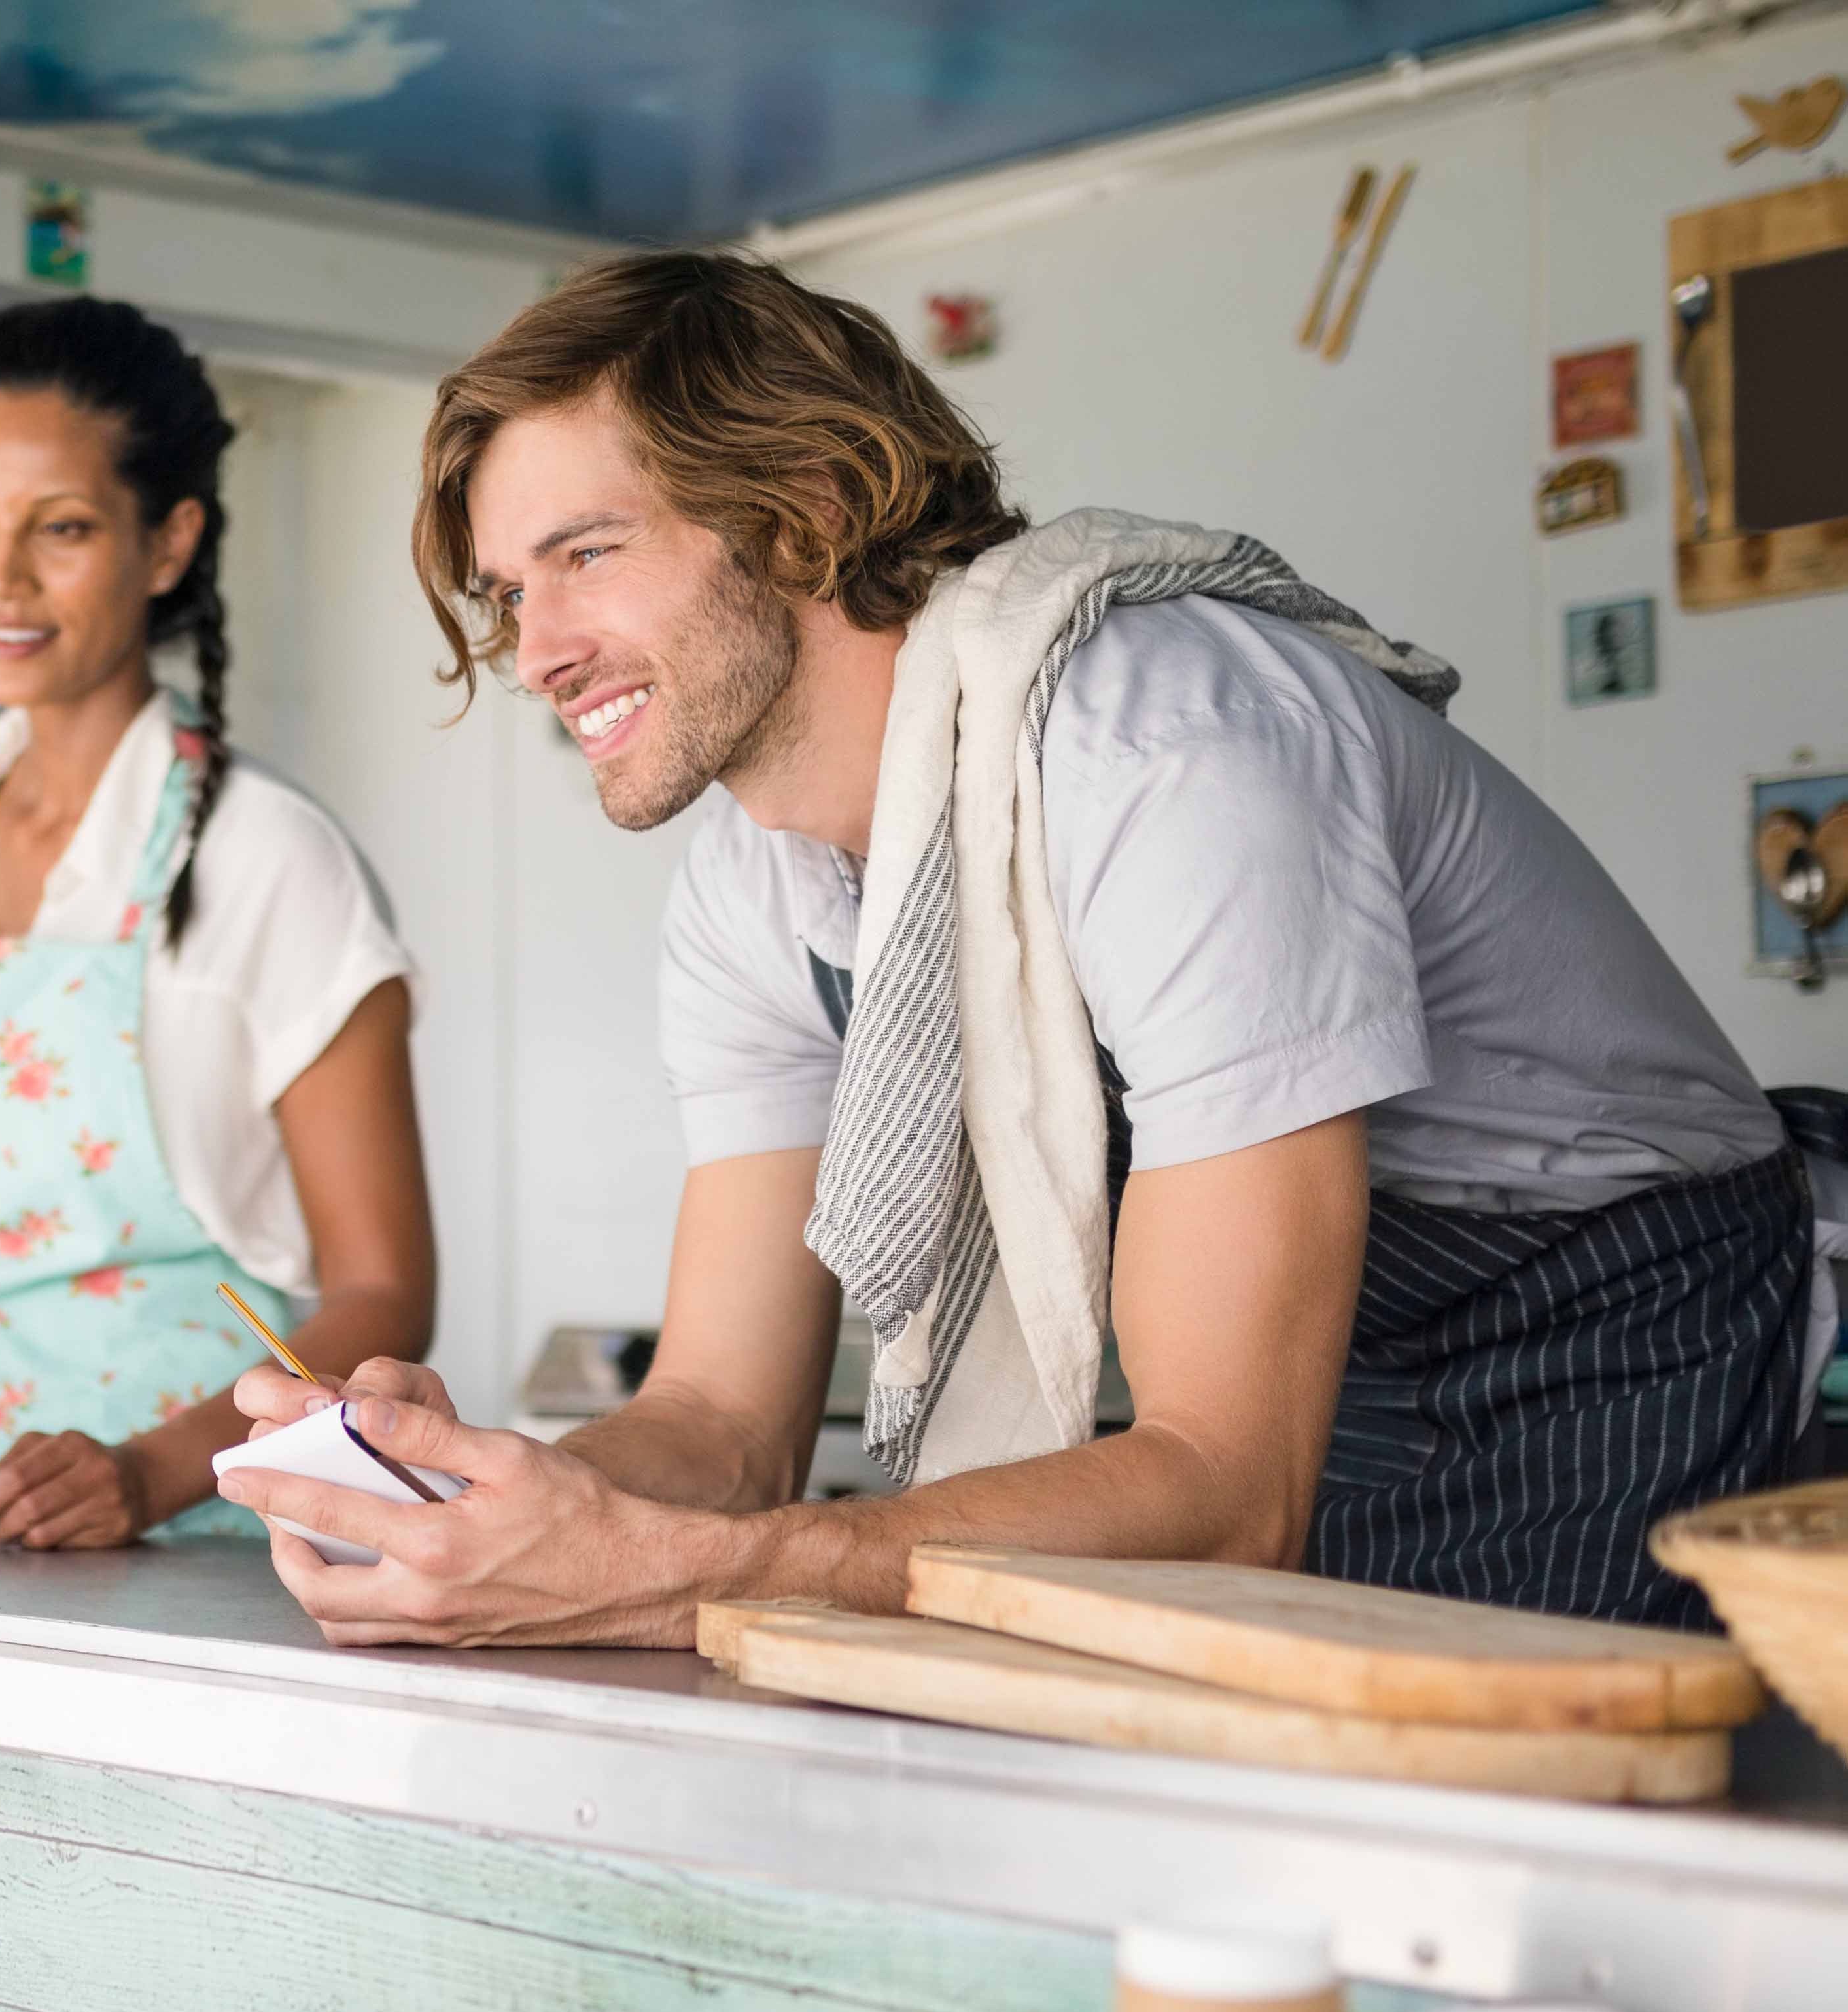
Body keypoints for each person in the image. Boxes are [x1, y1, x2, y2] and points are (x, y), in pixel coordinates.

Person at [224, 252, 1842, 1640]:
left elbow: (1225, 1490)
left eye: (586, 556)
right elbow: (723, 1421)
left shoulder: (1159, 747)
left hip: (1623, 1331)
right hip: (1325, 1386)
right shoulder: (753, 880)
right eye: (510, 595)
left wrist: (666, 1579)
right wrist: (504, 1503)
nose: (540, 653)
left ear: (806, 507)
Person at [0, 295, 436, 1547]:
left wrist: (142, 1475)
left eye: (60, 529)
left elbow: (387, 1295)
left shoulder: (267, 858)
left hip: (183, 1556)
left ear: (168, 544)